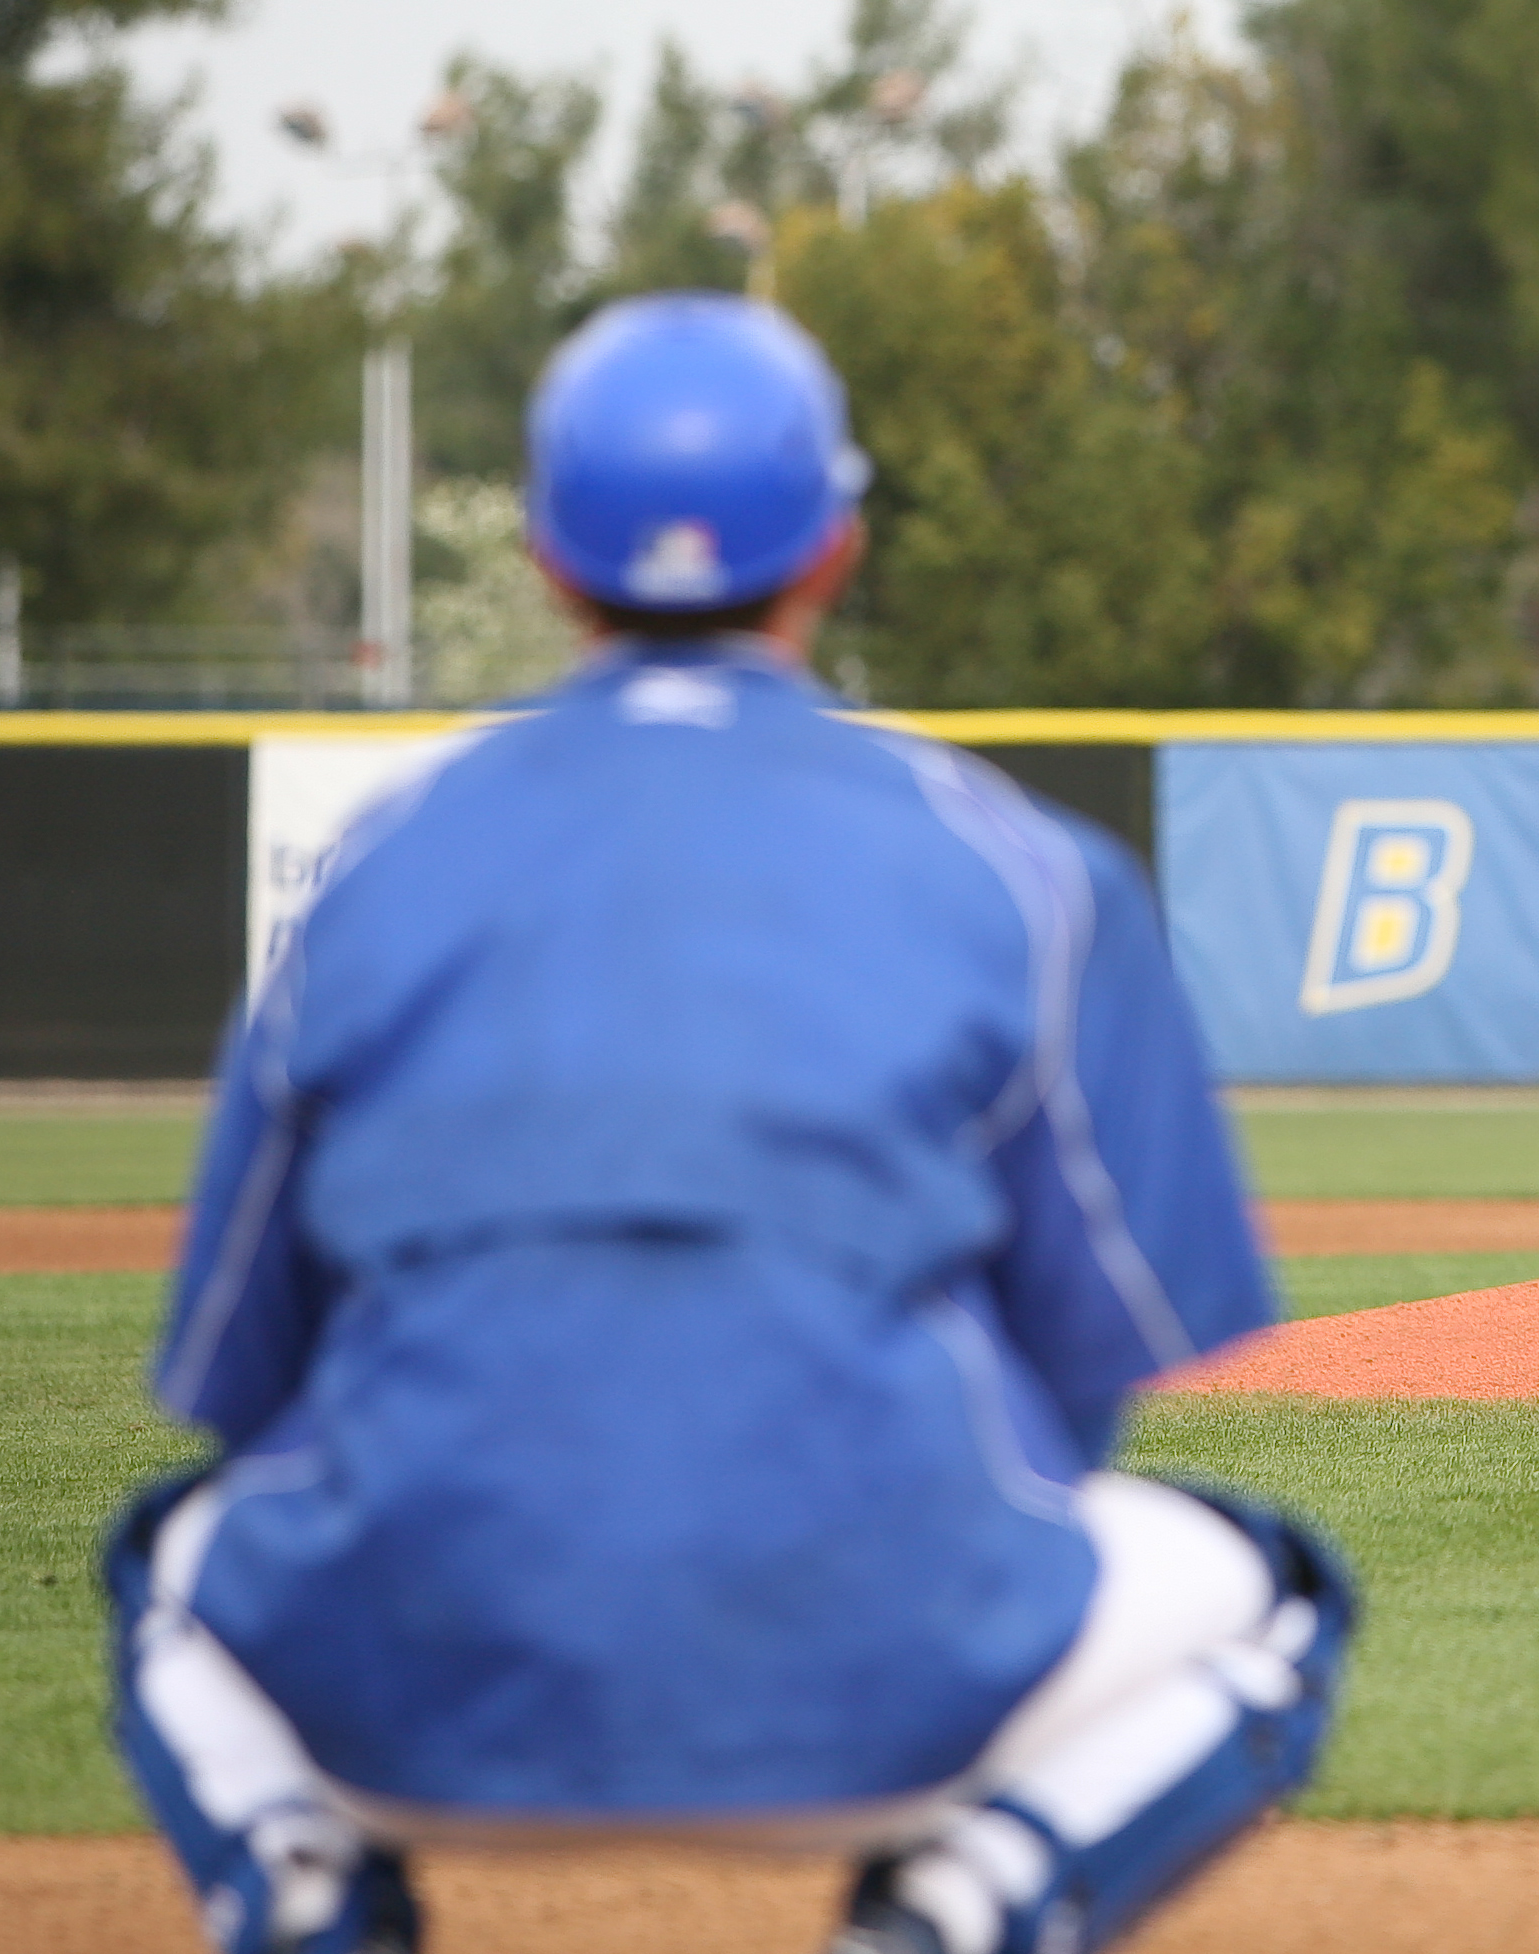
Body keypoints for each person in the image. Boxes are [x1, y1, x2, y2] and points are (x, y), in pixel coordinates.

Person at [102, 294, 1348, 1954]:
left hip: (417, 1700)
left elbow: (244, 1380)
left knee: (161, 1556)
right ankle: (962, 1908)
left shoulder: (374, 863)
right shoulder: (1020, 860)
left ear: (548, 558)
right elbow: (1091, 1375)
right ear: (832, 545)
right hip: (891, 1691)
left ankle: (309, 1896)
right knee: (1271, 1586)